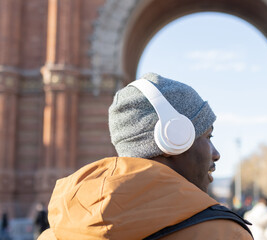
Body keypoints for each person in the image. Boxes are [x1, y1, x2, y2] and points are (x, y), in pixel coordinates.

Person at [38, 73, 253, 239]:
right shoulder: (224, 233)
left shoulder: (55, 233)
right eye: (208, 136)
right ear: (174, 137)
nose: (216, 153)